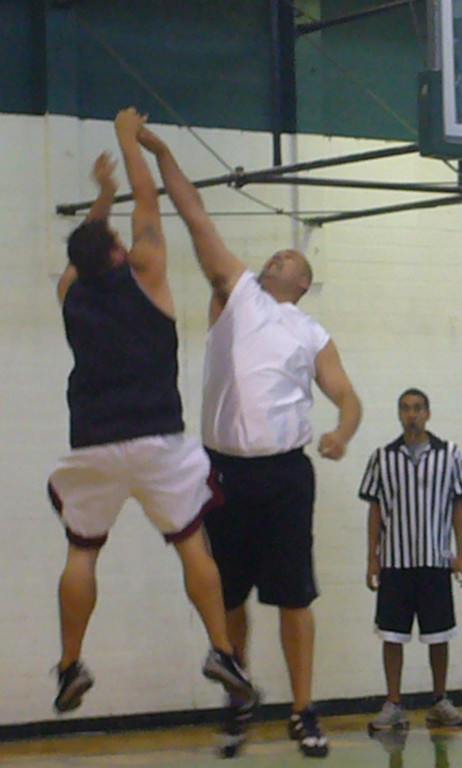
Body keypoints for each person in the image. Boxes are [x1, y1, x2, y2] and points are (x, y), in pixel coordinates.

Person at [137, 125, 362, 758]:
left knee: (293, 597)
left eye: (286, 260)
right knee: (229, 596)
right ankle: (238, 704)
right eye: (272, 258)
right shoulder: (236, 296)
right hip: (223, 471)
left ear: (303, 281)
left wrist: (342, 432)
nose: (273, 261)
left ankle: (303, 710)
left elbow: (347, 397)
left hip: (285, 474)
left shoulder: (310, 331)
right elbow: (195, 215)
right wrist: (163, 153)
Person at [47, 109, 257, 716]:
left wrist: (99, 198)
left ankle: (69, 665)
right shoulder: (149, 273)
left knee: (81, 553)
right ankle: (222, 651)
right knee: (193, 546)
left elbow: (84, 252)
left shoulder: (69, 293)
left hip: (92, 444)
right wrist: (127, 139)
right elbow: (148, 197)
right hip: (159, 440)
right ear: (119, 249)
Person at [359, 388, 462, 731]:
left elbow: (458, 504)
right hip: (394, 563)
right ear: (399, 414)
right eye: (406, 409)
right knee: (392, 636)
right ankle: (394, 704)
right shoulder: (382, 457)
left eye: (418, 408)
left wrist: (460, 555)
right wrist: (372, 558)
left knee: (439, 635)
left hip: (435, 561)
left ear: (428, 413)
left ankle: (439, 701)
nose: (412, 414)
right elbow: (375, 510)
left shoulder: (449, 453)